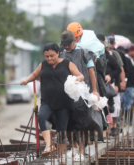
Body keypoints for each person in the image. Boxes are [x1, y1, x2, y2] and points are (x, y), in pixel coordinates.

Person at [20, 43, 84, 161]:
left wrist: (77, 79)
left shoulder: (67, 64)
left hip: (64, 103)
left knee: (61, 130)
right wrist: (27, 80)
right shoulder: (43, 65)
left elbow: (80, 75)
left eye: (52, 56)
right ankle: (49, 146)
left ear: (58, 53)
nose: (49, 59)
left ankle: (60, 157)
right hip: (47, 101)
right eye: (47, 56)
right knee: (41, 116)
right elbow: (35, 74)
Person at [59, 30, 103, 161]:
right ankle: (74, 147)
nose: (66, 46)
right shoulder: (61, 55)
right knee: (68, 122)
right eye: (64, 44)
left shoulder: (85, 53)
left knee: (82, 121)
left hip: (82, 93)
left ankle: (82, 149)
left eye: (68, 44)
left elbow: (91, 72)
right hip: (66, 95)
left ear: (75, 41)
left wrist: (94, 90)